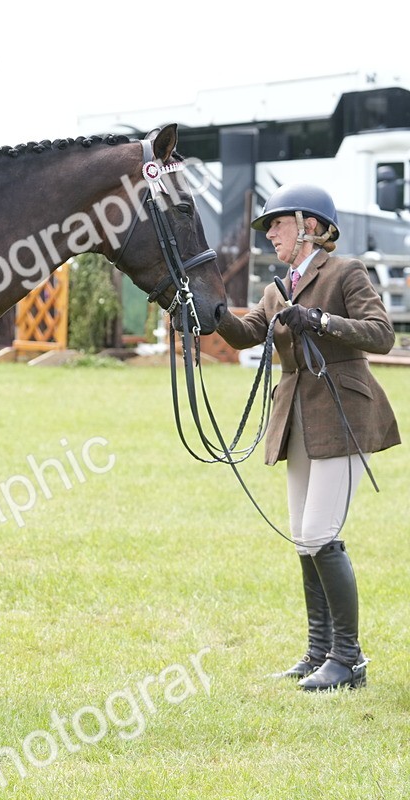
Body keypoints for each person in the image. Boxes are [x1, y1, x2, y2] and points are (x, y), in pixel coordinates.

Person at [214, 183, 400, 692]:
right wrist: (209, 313)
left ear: (309, 226)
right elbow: (245, 333)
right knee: (304, 539)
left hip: (344, 414)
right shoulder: (276, 290)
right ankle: (319, 652)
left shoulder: (345, 272)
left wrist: (318, 319)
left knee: (319, 533)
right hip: (296, 419)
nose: (270, 234)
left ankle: (349, 660)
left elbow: (381, 334)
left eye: (277, 224)